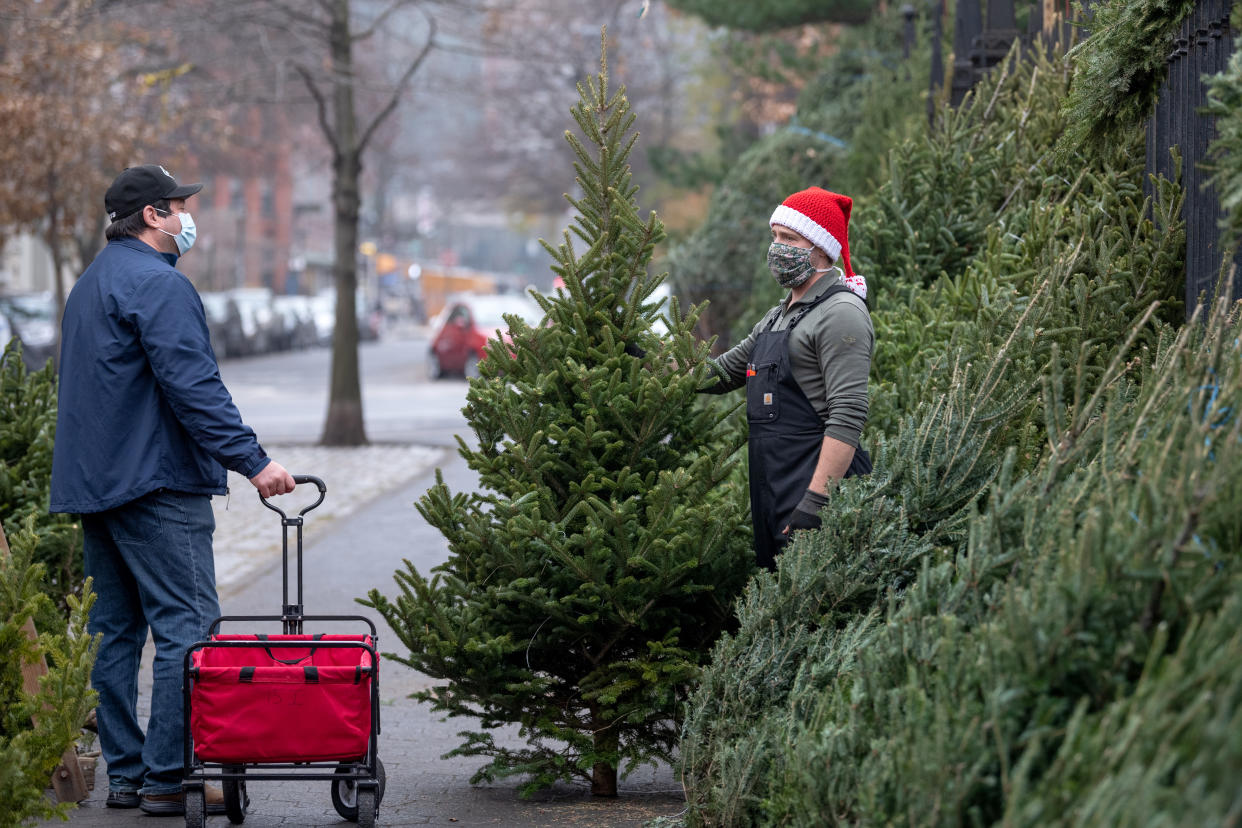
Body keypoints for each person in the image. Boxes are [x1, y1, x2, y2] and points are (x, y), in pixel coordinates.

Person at [49, 165, 297, 816]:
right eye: (183, 206)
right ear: (155, 216)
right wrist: (254, 462)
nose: (192, 216)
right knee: (187, 629)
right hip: (156, 484)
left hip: (96, 485)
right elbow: (194, 387)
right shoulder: (159, 285)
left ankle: (128, 778)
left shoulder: (91, 284)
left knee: (115, 633)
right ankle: (167, 777)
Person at [703, 187, 873, 571]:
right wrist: (646, 360)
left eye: (790, 238)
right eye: (775, 236)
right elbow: (722, 373)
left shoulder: (841, 312)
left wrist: (816, 502)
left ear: (821, 249)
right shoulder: (778, 316)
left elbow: (847, 414)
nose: (777, 247)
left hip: (813, 488)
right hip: (773, 486)